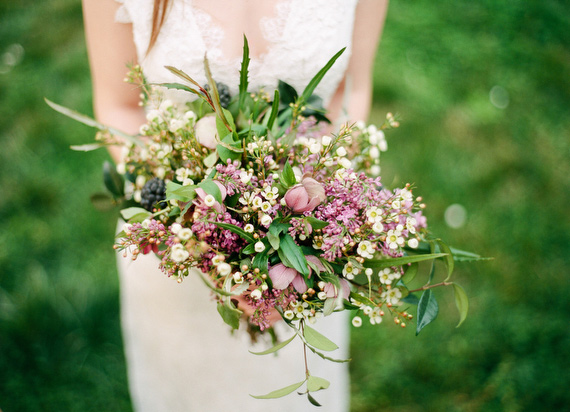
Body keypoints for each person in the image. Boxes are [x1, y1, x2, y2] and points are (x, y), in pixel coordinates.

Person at [82, 0, 388, 410]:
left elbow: (351, 92)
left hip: (299, 256)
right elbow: (119, 107)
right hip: (178, 256)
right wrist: (201, 237)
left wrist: (313, 222)